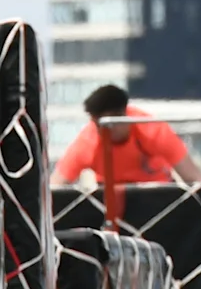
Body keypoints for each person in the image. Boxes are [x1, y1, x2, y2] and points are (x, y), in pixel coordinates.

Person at [53, 85, 190, 211]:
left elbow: (193, 177)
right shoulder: (87, 143)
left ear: (124, 114)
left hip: (156, 193)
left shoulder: (153, 130)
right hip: (111, 200)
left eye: (109, 123)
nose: (102, 131)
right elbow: (54, 187)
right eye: (97, 125)